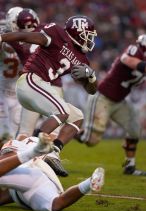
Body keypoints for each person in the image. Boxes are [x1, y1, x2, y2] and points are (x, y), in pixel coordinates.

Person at [0, 15, 97, 175]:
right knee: (62, 112)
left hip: (41, 86)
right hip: (31, 79)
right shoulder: (59, 34)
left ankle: (53, 152)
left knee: (77, 116)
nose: (90, 40)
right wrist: (2, 37)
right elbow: (28, 37)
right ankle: (35, 150)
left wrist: (91, 77)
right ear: (78, 32)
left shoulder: (82, 58)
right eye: (88, 35)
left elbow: (91, 90)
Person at [5, 7, 67, 177]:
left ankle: (11, 162)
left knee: (24, 131)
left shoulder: (18, 39)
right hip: (53, 84)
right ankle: (50, 158)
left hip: (33, 85)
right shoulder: (48, 31)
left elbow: (10, 36)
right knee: (56, 126)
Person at [73, 34, 146, 176]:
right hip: (103, 98)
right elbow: (128, 60)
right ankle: (67, 131)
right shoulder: (134, 50)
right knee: (90, 140)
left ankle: (129, 166)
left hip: (119, 102)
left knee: (134, 128)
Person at [0, 135, 104, 211]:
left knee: (56, 204)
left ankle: (34, 152)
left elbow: (8, 158)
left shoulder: (16, 143)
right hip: (38, 175)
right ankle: (91, 182)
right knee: (55, 205)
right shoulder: (25, 140)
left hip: (32, 169)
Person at [0, 10, 22, 147]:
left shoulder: (32, 39)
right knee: (3, 134)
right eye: (16, 22)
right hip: (1, 92)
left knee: (11, 139)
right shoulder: (3, 34)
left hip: (18, 95)